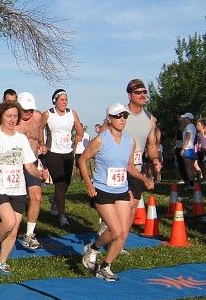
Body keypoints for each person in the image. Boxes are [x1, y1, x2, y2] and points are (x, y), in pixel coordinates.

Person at [77, 103, 155, 281]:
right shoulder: (100, 140)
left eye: (124, 116)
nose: (122, 120)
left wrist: (144, 179)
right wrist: (88, 184)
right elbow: (82, 161)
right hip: (102, 190)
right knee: (115, 230)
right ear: (109, 119)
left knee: (123, 233)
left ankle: (105, 266)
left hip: (121, 190)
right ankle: (94, 248)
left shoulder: (130, 141)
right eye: (118, 116)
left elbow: (129, 167)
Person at [0, 100, 40, 275]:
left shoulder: (21, 139)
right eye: (8, 116)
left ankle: (1, 263)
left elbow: (29, 164)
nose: (12, 120)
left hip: (18, 189)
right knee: (8, 221)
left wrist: (40, 174)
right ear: (1, 117)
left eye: (15, 117)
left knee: (13, 230)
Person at [40, 88, 84, 227]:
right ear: (55, 101)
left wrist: (78, 138)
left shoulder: (72, 113)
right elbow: (39, 128)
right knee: (59, 183)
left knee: (66, 183)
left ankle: (55, 199)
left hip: (68, 152)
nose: (64, 102)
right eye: (62, 100)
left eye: (66, 100)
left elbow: (79, 129)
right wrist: (42, 144)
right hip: (53, 152)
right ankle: (62, 216)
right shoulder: (48, 114)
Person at [15, 91, 46, 249]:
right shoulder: (12, 120)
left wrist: (41, 143)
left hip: (32, 162)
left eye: (30, 109)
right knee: (16, 201)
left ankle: (29, 234)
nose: (28, 112)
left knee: (36, 196)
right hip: (15, 164)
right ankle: (10, 230)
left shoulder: (38, 117)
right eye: (25, 109)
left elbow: (38, 133)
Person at [123, 79, 163, 198]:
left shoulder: (149, 118)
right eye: (138, 92)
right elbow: (103, 138)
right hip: (118, 169)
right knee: (122, 209)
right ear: (129, 95)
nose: (142, 95)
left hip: (136, 169)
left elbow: (151, 145)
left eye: (144, 92)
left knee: (132, 207)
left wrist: (155, 159)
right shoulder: (120, 114)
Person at [179, 112, 197, 182]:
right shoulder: (192, 126)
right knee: (191, 167)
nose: (183, 120)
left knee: (188, 167)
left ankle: (191, 183)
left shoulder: (189, 126)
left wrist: (183, 149)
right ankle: (192, 182)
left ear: (188, 119)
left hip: (187, 148)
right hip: (191, 147)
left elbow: (187, 137)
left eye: (185, 118)